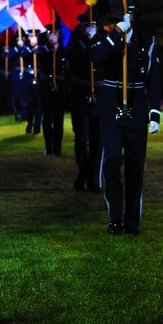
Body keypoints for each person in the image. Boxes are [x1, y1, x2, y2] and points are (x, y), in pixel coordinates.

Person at [90, 8, 161, 235]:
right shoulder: (104, 37)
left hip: (137, 108)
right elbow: (97, 57)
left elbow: (155, 77)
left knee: (135, 168)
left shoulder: (146, 40)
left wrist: (156, 113)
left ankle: (132, 222)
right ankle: (115, 217)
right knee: (111, 161)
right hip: (111, 108)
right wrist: (118, 33)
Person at [65, 14, 103, 192]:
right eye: (87, 25)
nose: (91, 27)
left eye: (93, 24)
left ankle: (92, 178)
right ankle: (83, 174)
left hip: (99, 96)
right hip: (80, 97)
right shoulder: (76, 43)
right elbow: (70, 54)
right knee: (81, 139)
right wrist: (87, 39)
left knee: (98, 140)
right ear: (81, 27)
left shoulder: (102, 41)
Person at [37, 24, 67, 156]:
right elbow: (41, 58)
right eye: (51, 32)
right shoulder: (43, 49)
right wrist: (50, 46)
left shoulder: (64, 49)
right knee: (47, 117)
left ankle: (57, 147)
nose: (54, 35)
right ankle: (48, 146)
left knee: (59, 118)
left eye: (56, 32)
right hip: (46, 84)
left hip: (60, 84)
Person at [20, 31, 42, 134]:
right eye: (31, 36)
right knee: (29, 103)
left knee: (39, 103)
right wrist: (31, 47)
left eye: (35, 36)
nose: (33, 37)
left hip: (39, 76)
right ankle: (29, 123)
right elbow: (22, 55)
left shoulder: (42, 48)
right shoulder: (26, 48)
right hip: (28, 76)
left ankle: (37, 126)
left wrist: (36, 49)